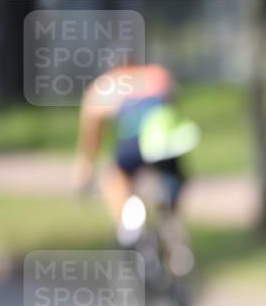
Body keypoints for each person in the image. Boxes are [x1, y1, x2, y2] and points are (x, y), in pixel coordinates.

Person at [73, 63, 198, 260]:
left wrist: (86, 168)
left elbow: (92, 131)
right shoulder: (159, 73)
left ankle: (130, 228)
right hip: (168, 140)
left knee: (115, 178)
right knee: (171, 183)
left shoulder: (107, 84)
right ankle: (171, 228)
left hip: (135, 141)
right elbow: (174, 101)